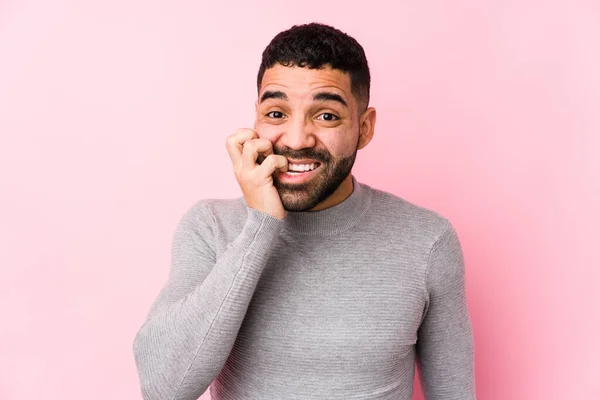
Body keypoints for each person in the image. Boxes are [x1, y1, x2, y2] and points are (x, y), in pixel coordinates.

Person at [133, 22, 476, 400]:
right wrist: (261, 224)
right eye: (277, 114)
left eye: (326, 115)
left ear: (364, 127)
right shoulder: (211, 228)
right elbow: (163, 388)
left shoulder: (427, 240)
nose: (296, 140)